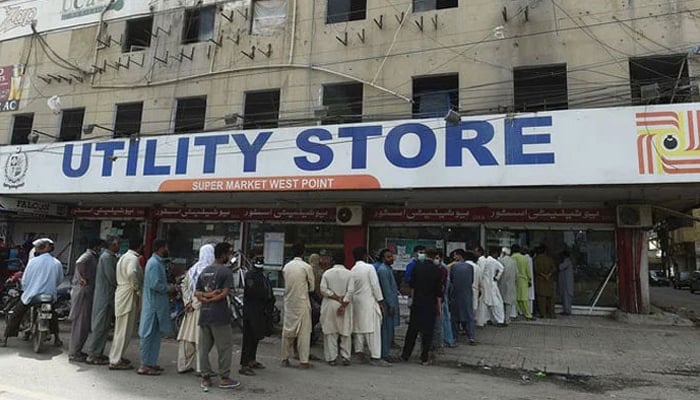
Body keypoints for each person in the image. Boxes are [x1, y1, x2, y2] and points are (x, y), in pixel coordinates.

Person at [1, 239, 63, 347]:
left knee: (16, 314)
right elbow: (59, 280)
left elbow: (25, 280)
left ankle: (5, 339)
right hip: (49, 295)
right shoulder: (57, 263)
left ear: (42, 248)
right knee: (53, 314)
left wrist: (27, 288)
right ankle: (57, 339)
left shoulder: (33, 262)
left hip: (32, 295)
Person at [196, 242, 240, 391]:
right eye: (229, 253)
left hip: (204, 314)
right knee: (225, 347)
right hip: (220, 315)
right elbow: (225, 293)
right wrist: (212, 297)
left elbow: (197, 293)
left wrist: (205, 298)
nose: (230, 257)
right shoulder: (225, 272)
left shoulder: (205, 271)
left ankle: (206, 378)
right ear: (222, 255)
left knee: (203, 348)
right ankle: (224, 378)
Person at [138, 239, 176, 376]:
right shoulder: (154, 264)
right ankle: (144, 364)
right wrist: (169, 288)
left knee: (155, 335)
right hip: (153, 305)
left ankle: (151, 363)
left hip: (157, 304)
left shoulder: (158, 263)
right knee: (148, 334)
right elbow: (155, 284)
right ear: (161, 248)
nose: (167, 249)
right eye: (166, 247)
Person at [177, 244, 215, 374]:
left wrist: (187, 302)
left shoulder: (193, 269)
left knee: (187, 338)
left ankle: (183, 365)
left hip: (190, 309)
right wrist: (196, 304)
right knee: (202, 340)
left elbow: (184, 285)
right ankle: (201, 368)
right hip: (202, 308)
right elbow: (208, 291)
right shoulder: (210, 271)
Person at [401, 248, 443, 365]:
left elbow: (412, 285)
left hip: (417, 302)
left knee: (412, 331)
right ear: (435, 257)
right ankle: (424, 357)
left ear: (425, 255)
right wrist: (439, 307)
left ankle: (405, 355)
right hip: (430, 304)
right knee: (427, 332)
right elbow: (438, 291)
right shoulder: (437, 270)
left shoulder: (417, 267)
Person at [350, 247, 388, 367]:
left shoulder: (352, 270)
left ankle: (359, 354)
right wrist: (381, 301)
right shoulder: (369, 268)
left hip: (356, 303)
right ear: (365, 256)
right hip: (369, 302)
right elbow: (375, 286)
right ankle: (375, 356)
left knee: (358, 330)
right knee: (373, 331)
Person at [109, 240, 143, 370]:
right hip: (128, 293)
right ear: (139, 247)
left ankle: (116, 356)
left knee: (120, 329)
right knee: (124, 331)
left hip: (121, 292)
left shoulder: (123, 257)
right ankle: (116, 360)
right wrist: (136, 287)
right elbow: (132, 273)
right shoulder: (133, 259)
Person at [84, 237, 120, 365]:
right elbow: (112, 277)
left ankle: (98, 352)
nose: (118, 246)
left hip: (107, 296)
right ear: (112, 245)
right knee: (99, 326)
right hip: (104, 296)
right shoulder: (106, 258)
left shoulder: (109, 257)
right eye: (117, 244)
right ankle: (93, 354)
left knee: (104, 327)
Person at [68, 238, 104, 362]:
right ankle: (74, 352)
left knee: (83, 324)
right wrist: (83, 278)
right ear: (96, 247)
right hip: (83, 293)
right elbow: (79, 263)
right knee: (80, 324)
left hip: (86, 292)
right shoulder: (88, 256)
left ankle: (76, 350)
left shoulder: (92, 256)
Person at [239, 255, 275, 376]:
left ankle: (251, 360)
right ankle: (244, 364)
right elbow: (254, 292)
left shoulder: (262, 275)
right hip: (251, 311)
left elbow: (268, 291)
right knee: (248, 337)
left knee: (256, 336)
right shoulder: (250, 275)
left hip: (260, 311)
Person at [281, 243, 315, 369]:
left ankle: (284, 358)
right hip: (302, 302)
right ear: (303, 253)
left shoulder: (287, 267)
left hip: (289, 302)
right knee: (304, 333)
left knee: (288, 331)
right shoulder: (306, 267)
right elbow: (311, 287)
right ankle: (303, 361)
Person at [319, 251, 354, 366]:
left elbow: (323, 289)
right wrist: (343, 304)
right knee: (345, 332)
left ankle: (331, 358)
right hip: (345, 306)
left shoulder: (327, 274)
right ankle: (345, 357)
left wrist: (335, 296)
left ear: (332, 261)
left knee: (330, 332)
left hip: (330, 304)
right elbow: (351, 291)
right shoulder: (349, 274)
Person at [375, 249, 400, 362]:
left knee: (388, 330)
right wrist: (391, 305)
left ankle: (385, 352)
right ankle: (384, 354)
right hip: (387, 305)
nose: (391, 259)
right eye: (388, 257)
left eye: (391, 256)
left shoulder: (388, 269)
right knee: (385, 330)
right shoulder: (383, 270)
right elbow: (386, 290)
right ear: (383, 258)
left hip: (391, 302)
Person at [449, 250, 478, 344]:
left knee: (455, 317)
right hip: (467, 294)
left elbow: (451, 281)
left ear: (459, 256)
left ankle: (454, 337)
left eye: (455, 255)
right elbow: (472, 280)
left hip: (456, 294)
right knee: (469, 317)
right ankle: (471, 337)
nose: (454, 258)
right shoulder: (470, 267)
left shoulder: (453, 267)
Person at [482, 248, 506, 326]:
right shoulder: (494, 261)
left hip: (485, 284)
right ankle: (500, 320)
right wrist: (497, 277)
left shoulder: (484, 261)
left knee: (486, 302)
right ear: (495, 253)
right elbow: (502, 268)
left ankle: (488, 319)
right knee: (497, 302)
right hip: (492, 284)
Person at [511, 244, 534, 320]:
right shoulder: (524, 258)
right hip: (523, 280)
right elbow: (527, 270)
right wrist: (529, 279)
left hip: (514, 280)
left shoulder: (511, 258)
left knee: (516, 298)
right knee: (524, 298)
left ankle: (516, 313)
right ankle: (528, 315)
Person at [534, 245, 557, 319]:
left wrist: (544, 275)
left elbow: (536, 270)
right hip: (549, 281)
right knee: (551, 299)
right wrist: (549, 275)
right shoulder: (550, 259)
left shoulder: (536, 260)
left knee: (541, 299)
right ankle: (552, 314)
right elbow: (554, 268)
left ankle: (543, 314)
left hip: (540, 281)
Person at [498, 247, 518, 325]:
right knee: (508, 303)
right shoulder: (513, 262)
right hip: (511, 284)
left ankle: (501, 319)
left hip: (501, 284)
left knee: (501, 302)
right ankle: (507, 319)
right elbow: (516, 274)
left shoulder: (500, 261)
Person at [558, 250, 575, 316]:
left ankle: (567, 310)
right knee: (565, 297)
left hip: (567, 284)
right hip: (566, 283)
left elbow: (560, 267)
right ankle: (566, 310)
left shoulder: (567, 261)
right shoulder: (568, 261)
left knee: (567, 297)